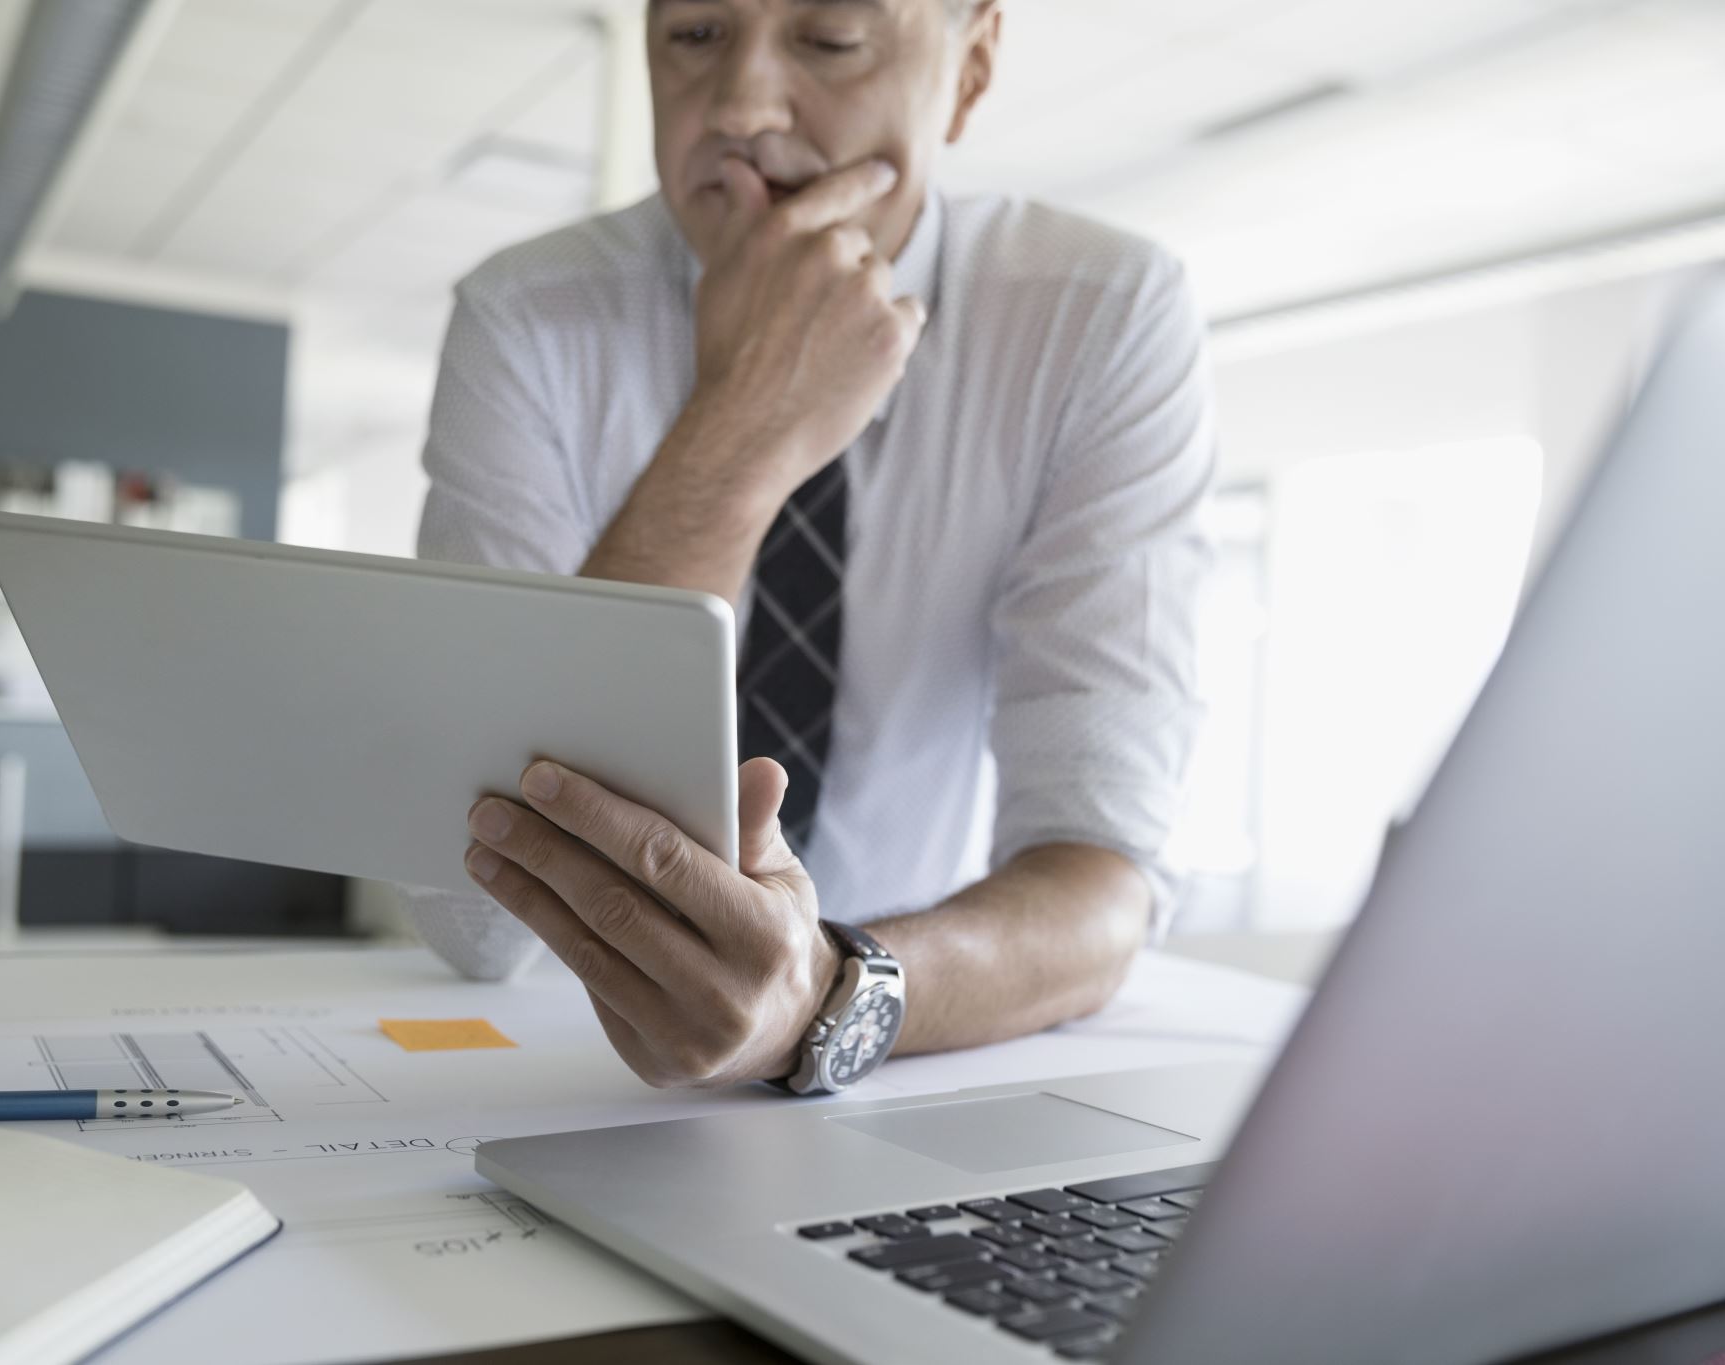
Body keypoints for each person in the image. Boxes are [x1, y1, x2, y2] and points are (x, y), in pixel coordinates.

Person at [404, 0, 1215, 1091]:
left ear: (969, 70)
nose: (738, 106)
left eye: (829, 38)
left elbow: (1102, 881)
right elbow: (472, 915)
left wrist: (826, 994)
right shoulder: (524, 318)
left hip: (924, 1028)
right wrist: (739, 428)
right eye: (692, 36)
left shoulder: (1100, 317)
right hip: (556, 1052)